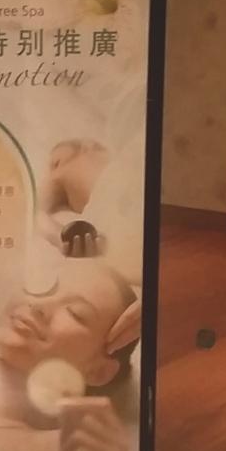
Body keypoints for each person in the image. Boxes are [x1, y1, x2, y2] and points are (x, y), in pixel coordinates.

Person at [0, 260, 139, 451]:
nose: (38, 305)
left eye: (76, 313)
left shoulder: (67, 449)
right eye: (42, 287)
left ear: (98, 371)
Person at [35, 138, 143, 357]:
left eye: (55, 162)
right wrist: (57, 234)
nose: (52, 175)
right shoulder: (95, 234)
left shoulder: (132, 151)